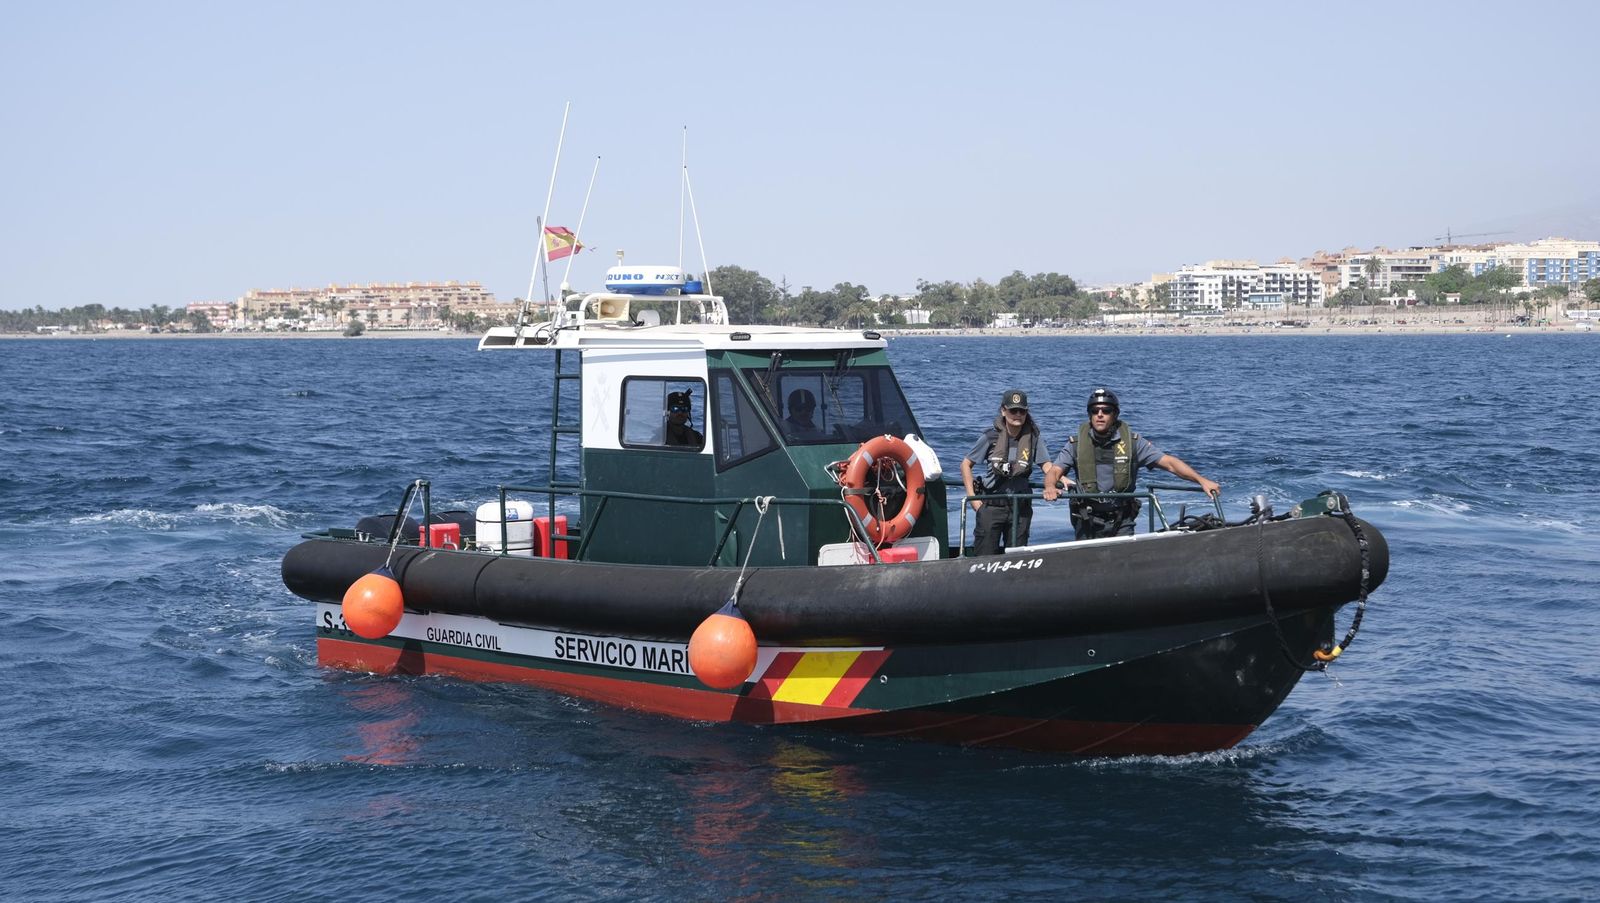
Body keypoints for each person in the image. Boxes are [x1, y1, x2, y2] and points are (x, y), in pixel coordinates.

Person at [1042, 387, 1220, 540]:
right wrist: (1050, 486)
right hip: (1087, 519)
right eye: (1095, 411)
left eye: (1106, 411)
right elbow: (1055, 470)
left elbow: (1170, 463)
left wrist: (1201, 480)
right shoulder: (1076, 445)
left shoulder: (1133, 443)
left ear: (1115, 414)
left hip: (1122, 519)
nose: (1100, 415)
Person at [961, 389, 1053, 555]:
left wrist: (1060, 479)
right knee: (985, 556)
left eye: (1022, 411)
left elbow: (1046, 465)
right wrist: (972, 498)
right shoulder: (990, 437)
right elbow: (966, 465)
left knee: (1017, 557)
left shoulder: (1034, 438)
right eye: (1013, 410)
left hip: (1020, 508)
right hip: (991, 506)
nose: (1017, 414)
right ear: (1003, 411)